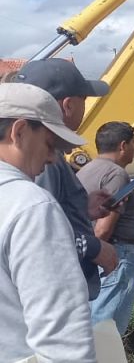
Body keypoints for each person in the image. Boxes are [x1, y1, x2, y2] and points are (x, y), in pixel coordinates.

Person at [0, 83, 95, 362]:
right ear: (18, 132)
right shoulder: (31, 206)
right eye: (50, 145)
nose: (53, 158)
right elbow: (62, 339)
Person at [15, 57, 117, 301]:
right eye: (85, 100)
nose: (49, 156)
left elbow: (52, 211)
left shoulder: (42, 153)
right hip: (57, 293)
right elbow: (39, 229)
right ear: (68, 105)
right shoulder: (41, 160)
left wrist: (84, 207)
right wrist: (93, 247)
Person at [78, 121, 134, 336]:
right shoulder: (116, 174)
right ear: (123, 145)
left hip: (89, 253)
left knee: (94, 319)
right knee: (108, 327)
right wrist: (102, 254)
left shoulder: (85, 170)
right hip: (115, 253)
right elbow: (104, 228)